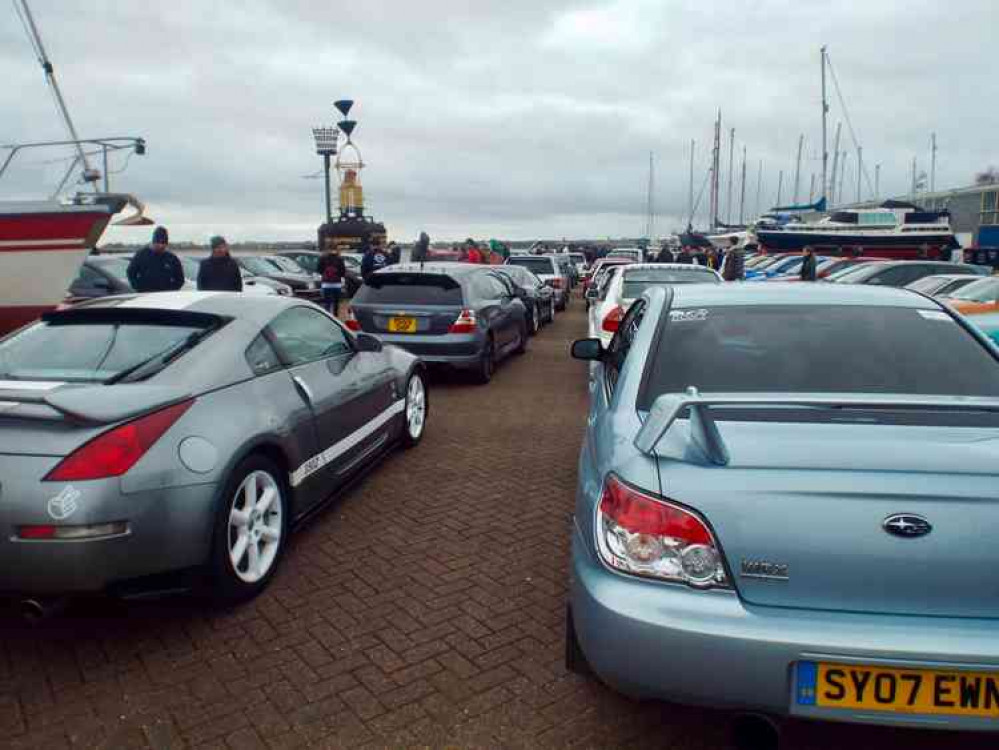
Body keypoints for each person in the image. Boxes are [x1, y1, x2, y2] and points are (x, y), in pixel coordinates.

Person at [127, 226, 184, 292]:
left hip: (165, 295)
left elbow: (180, 279)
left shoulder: (172, 258)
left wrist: (171, 290)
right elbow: (130, 272)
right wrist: (138, 287)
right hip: (145, 295)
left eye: (163, 243)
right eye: (158, 243)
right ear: (153, 242)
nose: (161, 245)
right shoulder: (141, 255)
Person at [317, 238, 347, 316]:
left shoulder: (322, 258)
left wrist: (325, 274)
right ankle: (336, 318)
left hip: (326, 283)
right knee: (336, 303)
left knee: (327, 303)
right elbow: (343, 272)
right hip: (337, 283)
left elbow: (319, 270)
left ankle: (328, 318)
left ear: (327, 248)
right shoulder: (340, 259)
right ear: (336, 248)